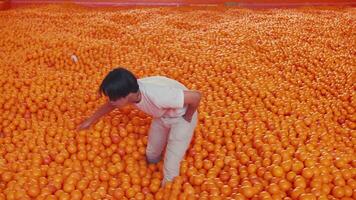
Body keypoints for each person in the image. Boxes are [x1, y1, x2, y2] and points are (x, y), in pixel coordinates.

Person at [78, 67, 201, 185]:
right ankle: (153, 169)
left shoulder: (158, 95)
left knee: (171, 166)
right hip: (163, 115)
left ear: (126, 95)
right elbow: (110, 105)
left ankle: (169, 190)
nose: (111, 101)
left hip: (182, 116)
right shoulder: (132, 92)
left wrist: (187, 118)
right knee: (151, 153)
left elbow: (196, 97)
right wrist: (90, 121)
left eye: (113, 98)